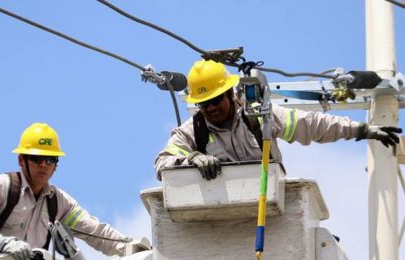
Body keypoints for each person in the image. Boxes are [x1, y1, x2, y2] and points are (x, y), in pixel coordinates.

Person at [155, 59, 402, 180]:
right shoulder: (192, 131)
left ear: (230, 93)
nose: (210, 108)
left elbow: (313, 125)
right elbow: (162, 164)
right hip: (222, 216)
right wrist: (191, 158)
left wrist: (362, 130)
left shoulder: (258, 118)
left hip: (268, 205)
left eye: (215, 100)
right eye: (203, 103)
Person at [0, 123, 135, 260]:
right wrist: (2, 243)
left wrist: (132, 248)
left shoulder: (58, 202)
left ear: (56, 164)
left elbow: (96, 232)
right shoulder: (1, 187)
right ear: (21, 160)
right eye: (36, 159)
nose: (44, 165)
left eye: (50, 159)